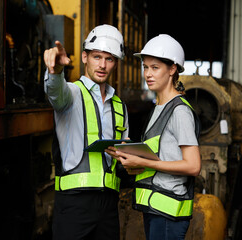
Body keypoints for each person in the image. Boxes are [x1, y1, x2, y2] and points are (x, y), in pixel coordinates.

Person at [107, 34, 201, 240]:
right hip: (155, 207)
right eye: (145, 67)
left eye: (155, 67)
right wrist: (129, 153)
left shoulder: (179, 111)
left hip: (168, 210)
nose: (147, 74)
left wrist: (142, 161)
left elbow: (193, 166)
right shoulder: (159, 108)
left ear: (172, 69)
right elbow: (160, 154)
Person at [43, 24, 129, 240]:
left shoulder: (119, 106)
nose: (102, 65)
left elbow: (124, 156)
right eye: (97, 57)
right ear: (84, 57)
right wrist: (55, 72)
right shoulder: (70, 93)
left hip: (109, 204)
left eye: (109, 59)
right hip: (74, 203)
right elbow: (55, 93)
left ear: (115, 64)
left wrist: (129, 157)